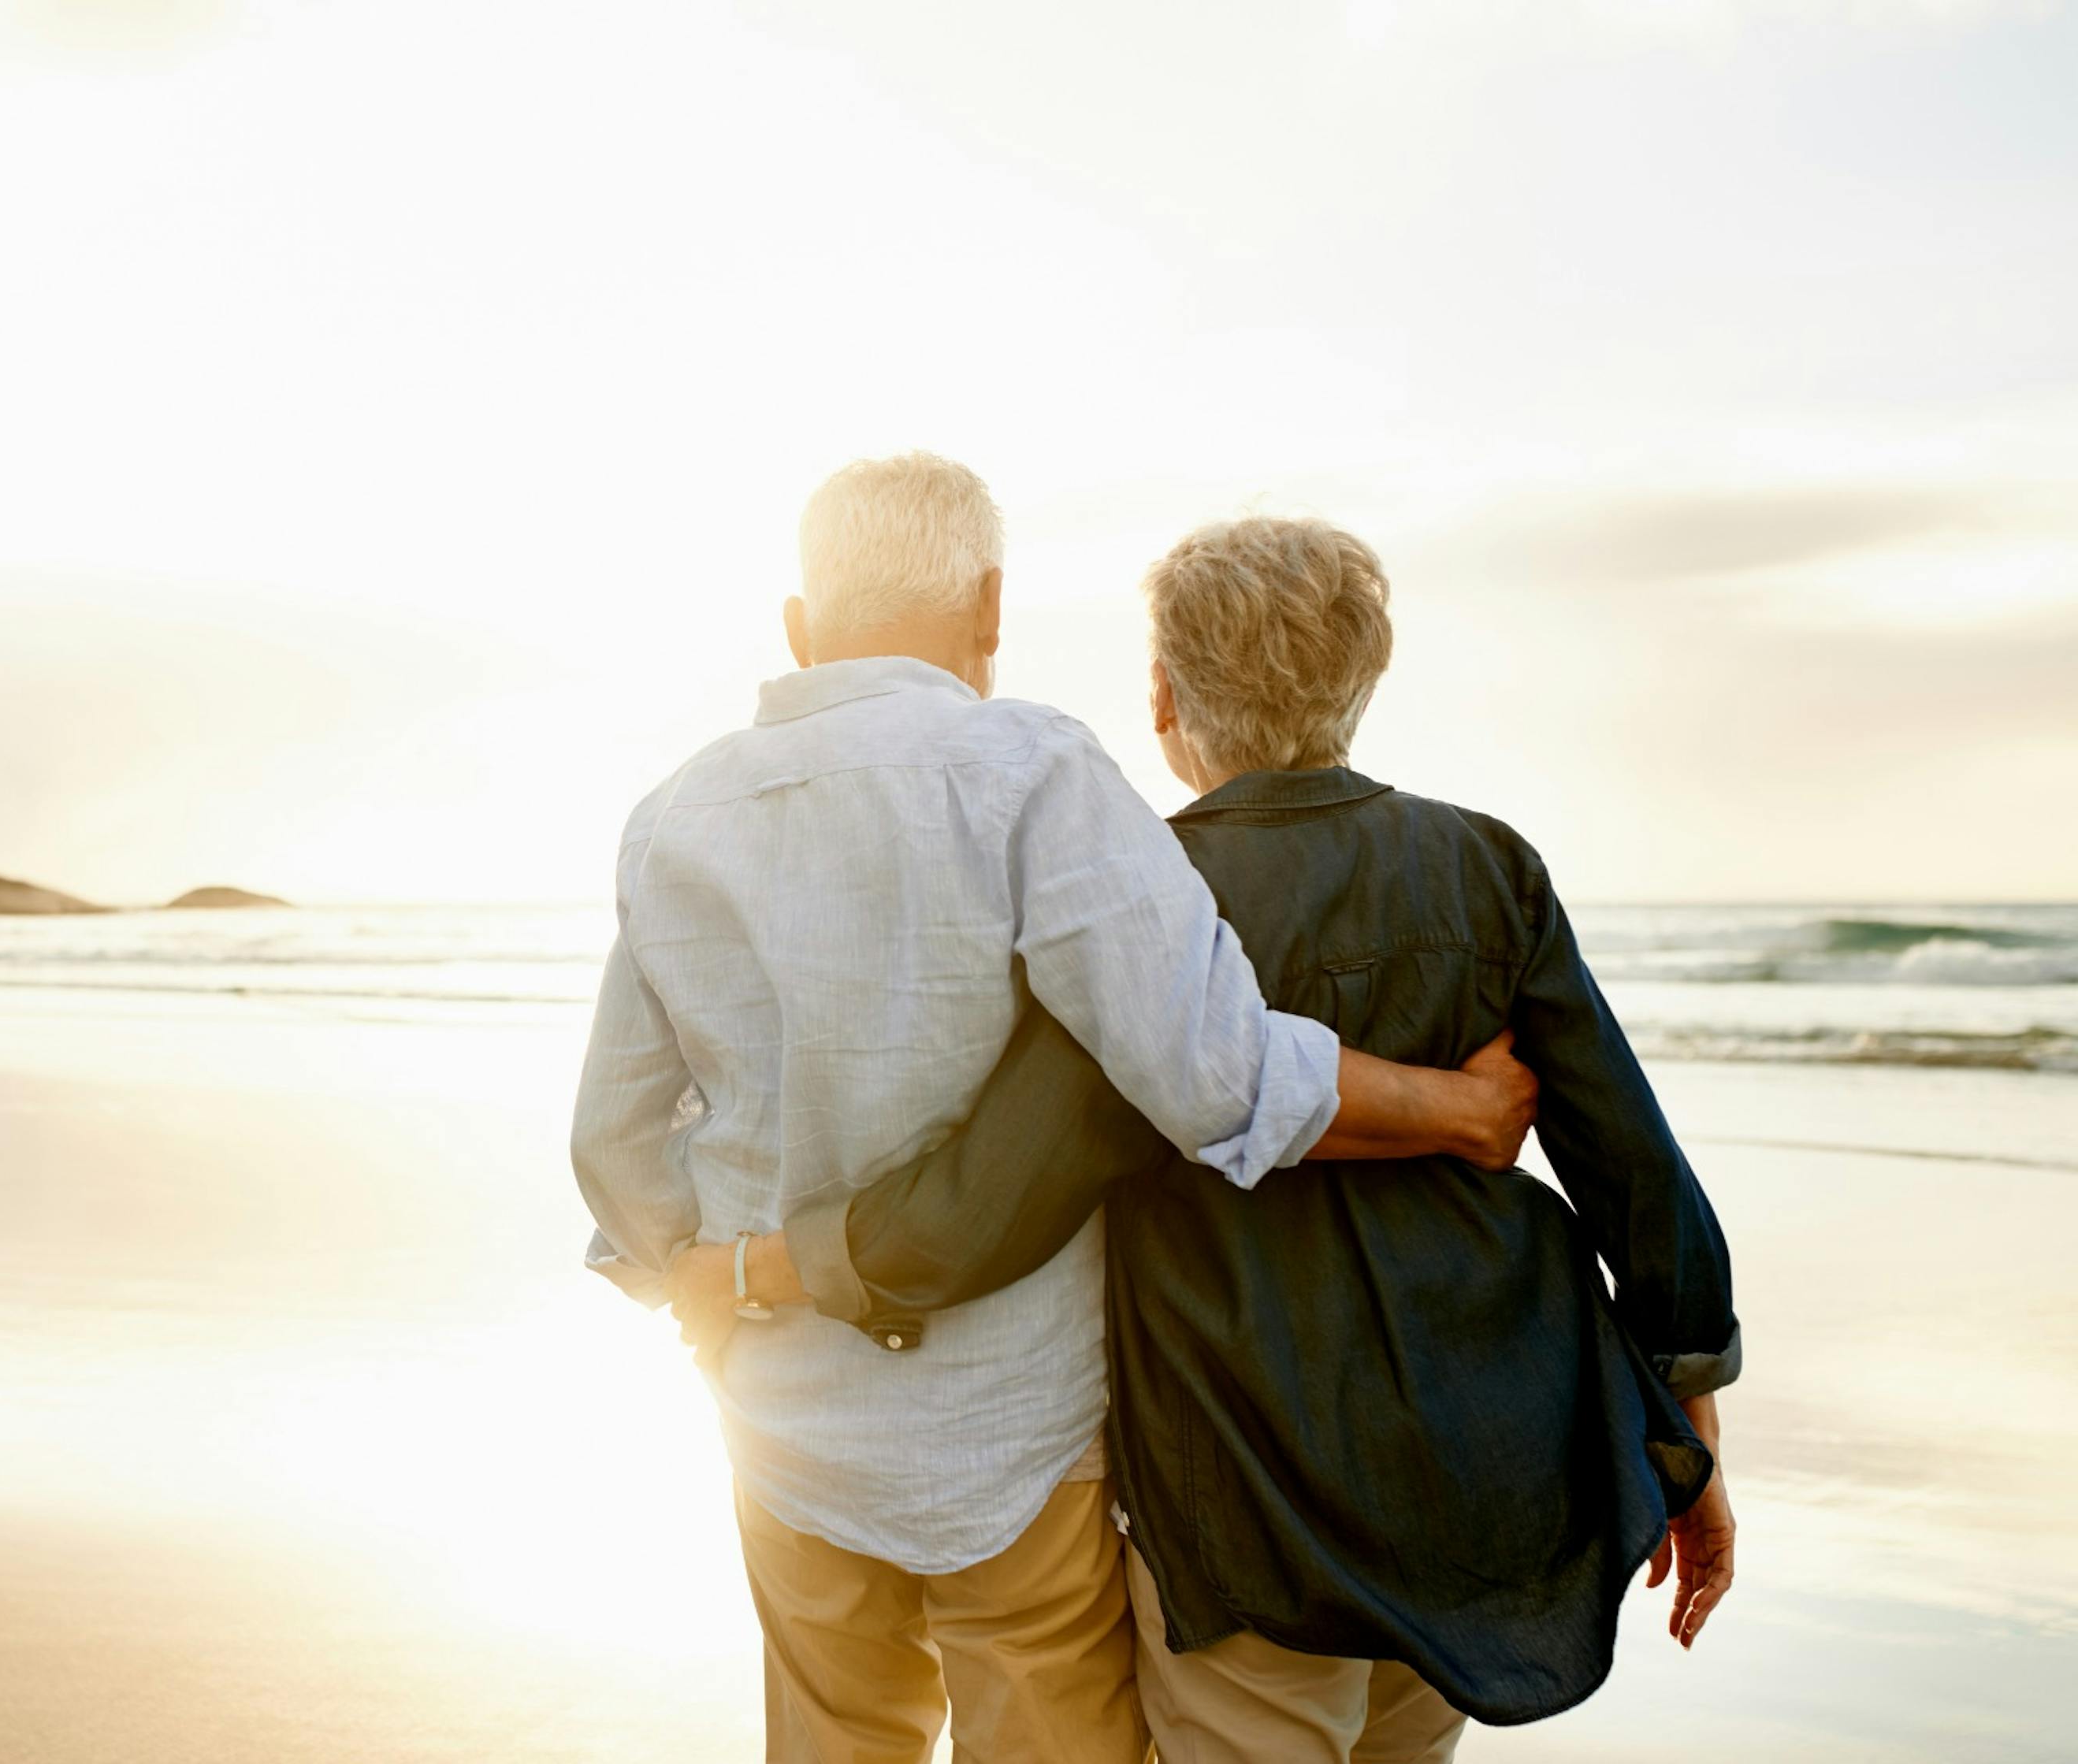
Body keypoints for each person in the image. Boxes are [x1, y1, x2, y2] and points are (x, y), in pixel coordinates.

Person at [695, 516, 1742, 1762]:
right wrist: (1694, 1448)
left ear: (1162, 695)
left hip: (1250, 1490)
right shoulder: (1488, 867)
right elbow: (1637, 1174)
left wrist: (775, 1265)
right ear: (1367, 675)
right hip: (1474, 1464)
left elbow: (999, 1196)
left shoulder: (1139, 895)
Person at [571, 456, 1540, 1764]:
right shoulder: (1028, 769)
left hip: (784, 1431)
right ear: (990, 607)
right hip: (1016, 1444)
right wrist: (1455, 1107)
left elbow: (617, 1141)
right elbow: (1209, 1072)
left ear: (800, 626)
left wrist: (711, 1288)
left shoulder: (674, 816)